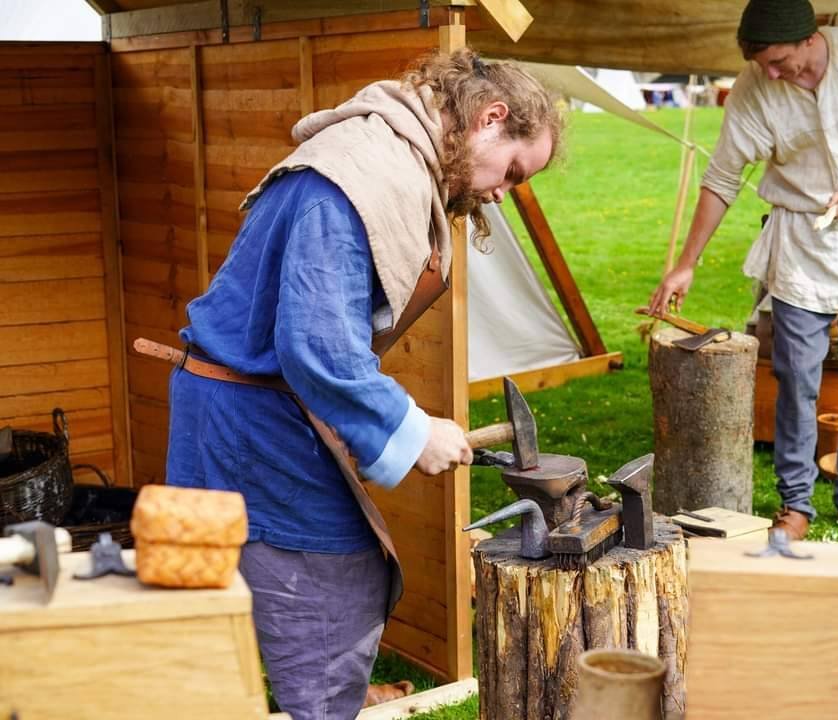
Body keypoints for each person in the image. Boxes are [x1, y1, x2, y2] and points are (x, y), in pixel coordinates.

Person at [163, 48, 561, 720]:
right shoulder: (360, 175)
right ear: (491, 119)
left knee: (284, 587)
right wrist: (409, 429)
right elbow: (317, 345)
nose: (504, 191)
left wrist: (367, 424)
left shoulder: (385, 155)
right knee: (331, 585)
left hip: (251, 406)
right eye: (514, 171)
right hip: (249, 421)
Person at [648, 0, 838, 540]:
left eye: (779, 61)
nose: (770, 74)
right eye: (762, 65)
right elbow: (723, 179)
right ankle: (796, 504)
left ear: (808, 37)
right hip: (800, 243)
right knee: (796, 376)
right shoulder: (755, 87)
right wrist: (686, 264)